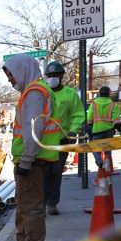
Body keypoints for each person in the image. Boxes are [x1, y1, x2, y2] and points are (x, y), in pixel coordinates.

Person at [2, 54, 60, 241]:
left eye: (11, 74)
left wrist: (26, 160)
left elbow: (33, 129)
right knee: (23, 204)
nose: (10, 79)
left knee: (31, 206)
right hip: (31, 160)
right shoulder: (33, 91)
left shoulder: (35, 92)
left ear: (23, 69)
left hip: (33, 161)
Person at [41, 61, 86, 215]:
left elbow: (78, 114)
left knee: (56, 172)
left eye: (54, 75)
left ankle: (52, 203)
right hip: (44, 141)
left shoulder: (69, 94)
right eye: (49, 75)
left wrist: (73, 132)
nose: (51, 78)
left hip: (62, 140)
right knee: (43, 173)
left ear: (61, 76)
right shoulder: (43, 92)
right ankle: (41, 203)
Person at [85, 86, 121, 169]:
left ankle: (99, 162)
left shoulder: (93, 104)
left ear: (99, 94)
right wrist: (120, 129)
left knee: (95, 148)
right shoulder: (113, 105)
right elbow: (117, 120)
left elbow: (89, 117)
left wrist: (89, 126)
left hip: (97, 130)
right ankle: (108, 167)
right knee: (108, 150)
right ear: (109, 94)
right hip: (109, 130)